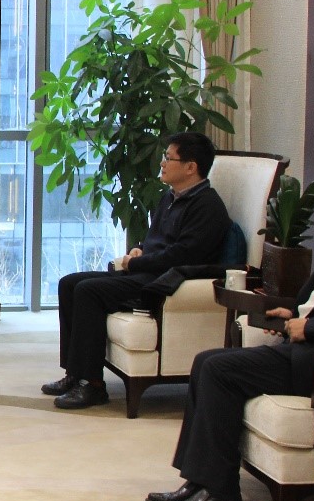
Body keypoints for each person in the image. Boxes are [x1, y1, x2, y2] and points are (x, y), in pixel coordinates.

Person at [147, 176, 314, 501]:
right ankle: (197, 482)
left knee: (218, 369)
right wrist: (293, 313)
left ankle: (222, 495)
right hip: (299, 345)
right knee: (205, 361)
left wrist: (311, 327)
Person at [42, 131, 231, 409]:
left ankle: (93, 385)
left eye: (169, 158)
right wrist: (139, 250)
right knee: (69, 283)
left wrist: (137, 262)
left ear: (191, 167)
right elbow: (158, 242)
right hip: (146, 272)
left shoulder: (207, 207)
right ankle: (75, 373)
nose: (162, 163)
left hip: (162, 283)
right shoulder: (170, 198)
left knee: (89, 291)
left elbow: (182, 255)